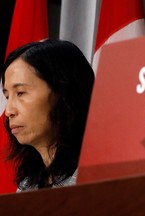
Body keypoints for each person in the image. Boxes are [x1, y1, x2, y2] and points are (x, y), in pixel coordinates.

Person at [1, 39, 95, 192]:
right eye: (7, 97)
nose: (8, 111)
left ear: (64, 93)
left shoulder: (101, 180)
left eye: (20, 93)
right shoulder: (27, 186)